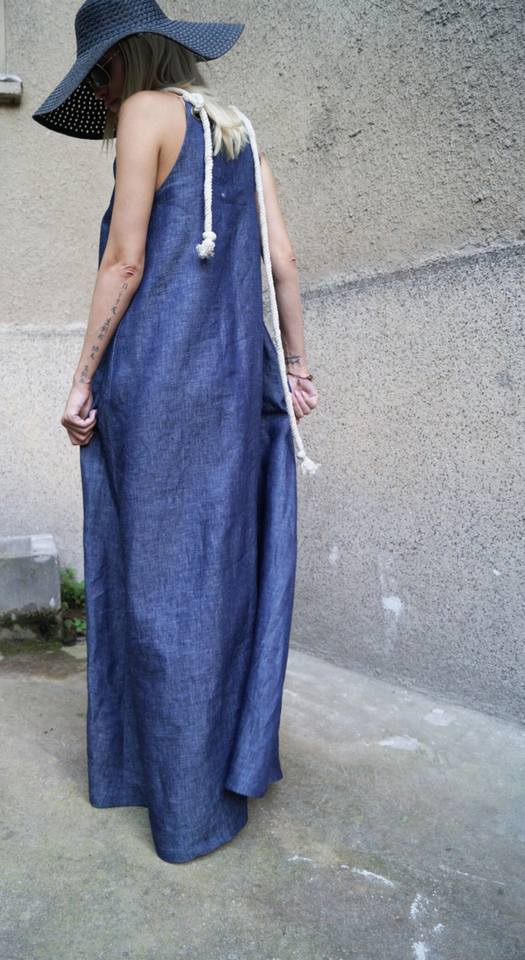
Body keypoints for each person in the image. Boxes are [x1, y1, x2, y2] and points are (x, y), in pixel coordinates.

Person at [33, 0, 320, 863]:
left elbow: (125, 261)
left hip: (157, 385)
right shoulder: (239, 131)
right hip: (235, 386)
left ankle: (175, 801)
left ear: (126, 59)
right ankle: (213, 776)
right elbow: (282, 263)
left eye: (101, 72)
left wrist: (80, 377)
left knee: (155, 586)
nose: (103, 89)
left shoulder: (143, 113)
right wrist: (296, 368)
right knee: (221, 578)